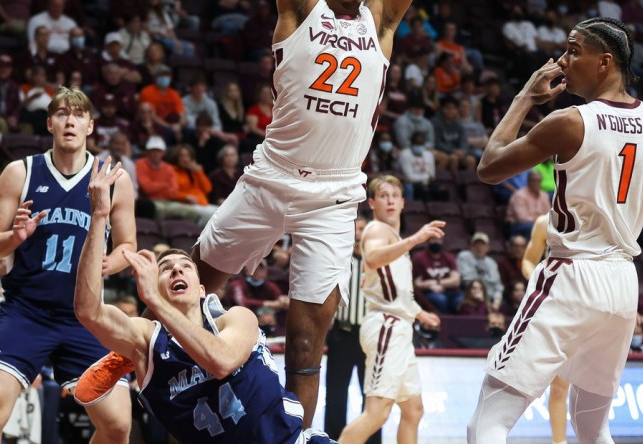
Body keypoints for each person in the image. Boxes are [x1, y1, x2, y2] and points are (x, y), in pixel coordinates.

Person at [79, 0, 414, 429]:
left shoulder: (381, 23)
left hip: (334, 192)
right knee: (195, 278)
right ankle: (125, 355)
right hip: (270, 178)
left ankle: (296, 438)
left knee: (306, 343)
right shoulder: (302, 11)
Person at [467, 17, 643, 444]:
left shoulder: (570, 121)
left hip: (571, 274)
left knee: (487, 422)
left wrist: (524, 97)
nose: (563, 60)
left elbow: (489, 167)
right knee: (592, 428)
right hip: (623, 284)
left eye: (574, 51)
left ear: (604, 61)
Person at [72, 159, 332, 443]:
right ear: (155, 287)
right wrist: (99, 216)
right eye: (165, 268)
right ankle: (119, 359)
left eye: (185, 266)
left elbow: (222, 361)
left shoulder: (236, 318)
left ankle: (119, 359)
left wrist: (155, 303)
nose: (176, 269)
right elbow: (88, 311)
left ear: (201, 290)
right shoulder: (147, 340)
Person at [0, 86, 137, 444]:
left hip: (85, 318)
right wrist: (14, 237)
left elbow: (128, 246)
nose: (70, 121)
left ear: (90, 126)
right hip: (25, 311)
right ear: (50, 124)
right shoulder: (20, 172)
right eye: (62, 114)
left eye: (78, 115)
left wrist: (103, 264)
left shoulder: (114, 181)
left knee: (119, 425)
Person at [338, 175, 441, 444]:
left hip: (400, 328)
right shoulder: (376, 230)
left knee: (413, 409)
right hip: (386, 326)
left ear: (403, 202)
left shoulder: (393, 238)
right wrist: (415, 239)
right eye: (384, 195)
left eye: (395, 195)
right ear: (372, 202)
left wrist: (419, 313)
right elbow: (371, 258)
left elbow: (394, 290)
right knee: (376, 413)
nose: (391, 200)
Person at [324, 215, 381, 444]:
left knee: (372, 397)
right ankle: (333, 440)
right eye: (356, 229)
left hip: (370, 336)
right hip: (342, 334)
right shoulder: (340, 261)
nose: (358, 234)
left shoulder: (379, 262)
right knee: (336, 393)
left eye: (363, 229)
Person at [520, 213, 569, 444]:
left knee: (592, 387)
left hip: (592, 305)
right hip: (555, 307)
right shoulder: (544, 222)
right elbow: (529, 260)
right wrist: (539, 282)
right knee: (558, 386)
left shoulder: (597, 214)